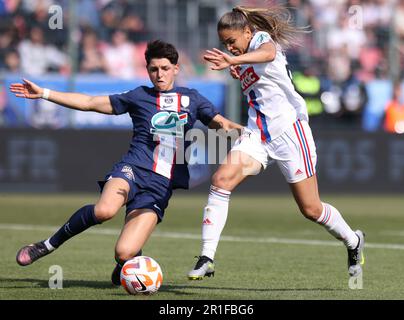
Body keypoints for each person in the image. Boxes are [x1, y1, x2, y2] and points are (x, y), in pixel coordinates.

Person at [10, 40, 243, 285]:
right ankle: (45, 246)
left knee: (124, 252)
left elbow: (222, 123)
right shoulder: (139, 96)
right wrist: (44, 93)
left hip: (160, 187)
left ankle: (125, 264)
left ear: (176, 68)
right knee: (105, 210)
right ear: (148, 70)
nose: (159, 74)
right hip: (133, 168)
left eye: (165, 68)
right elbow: (90, 103)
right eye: (154, 69)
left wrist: (250, 135)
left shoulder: (192, 99)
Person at [188, 6, 365, 280]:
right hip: (257, 135)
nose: (229, 48)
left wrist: (235, 63)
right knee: (221, 180)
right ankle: (206, 257)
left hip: (289, 132)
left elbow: (269, 53)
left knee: (311, 209)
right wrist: (239, 66)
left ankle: (353, 241)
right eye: (225, 44)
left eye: (232, 41)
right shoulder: (244, 57)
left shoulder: (259, 40)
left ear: (247, 32)